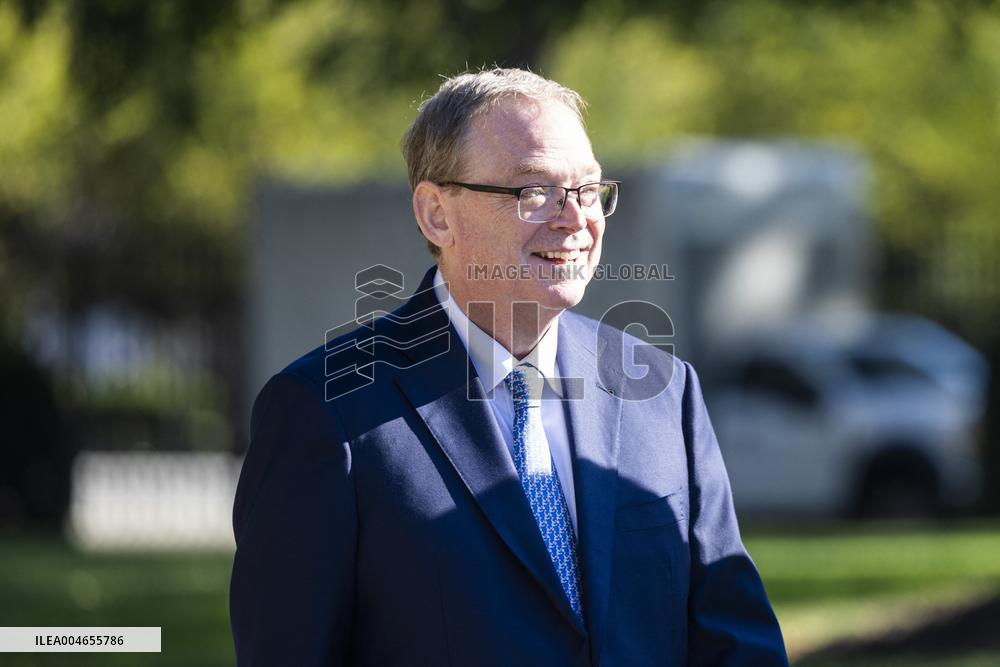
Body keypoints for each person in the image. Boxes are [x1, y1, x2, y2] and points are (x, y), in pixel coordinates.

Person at [230, 67, 788, 666]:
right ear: (436, 214)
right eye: (534, 191)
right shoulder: (324, 409)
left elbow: (735, 641)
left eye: (588, 189)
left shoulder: (661, 392)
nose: (575, 219)